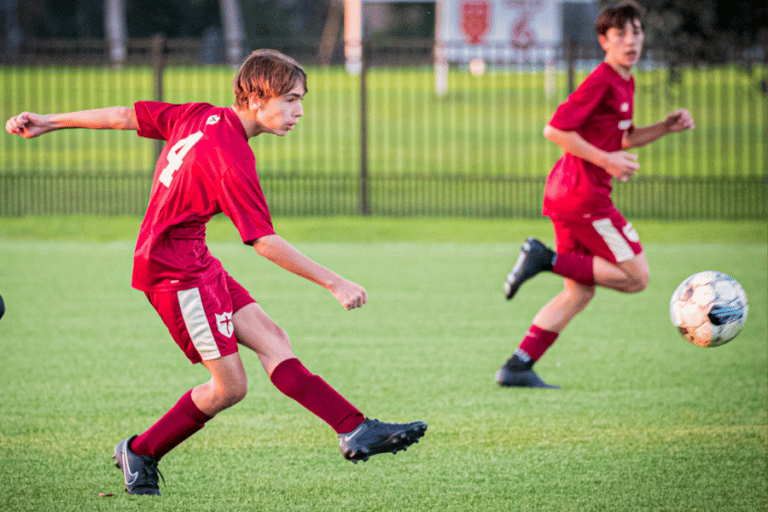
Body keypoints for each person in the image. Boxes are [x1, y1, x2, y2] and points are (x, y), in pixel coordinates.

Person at [6, 49, 426, 496]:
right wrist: (334, 280)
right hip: (175, 275)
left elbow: (124, 116)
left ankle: (352, 427)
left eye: (300, 99)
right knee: (229, 388)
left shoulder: (201, 116)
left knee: (273, 339)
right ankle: (141, 450)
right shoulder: (232, 158)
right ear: (254, 98)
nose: (298, 111)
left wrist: (50, 120)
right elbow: (262, 240)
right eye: (288, 100)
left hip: (194, 260)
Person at [496, 2, 695, 389]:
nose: (631, 40)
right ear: (604, 40)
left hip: (567, 193)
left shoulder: (625, 81)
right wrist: (607, 161)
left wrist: (665, 127)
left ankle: (517, 366)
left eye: (636, 32)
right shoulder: (603, 79)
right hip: (583, 197)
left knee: (579, 291)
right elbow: (555, 130)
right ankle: (545, 258)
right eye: (620, 34)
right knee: (637, 278)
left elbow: (623, 136)